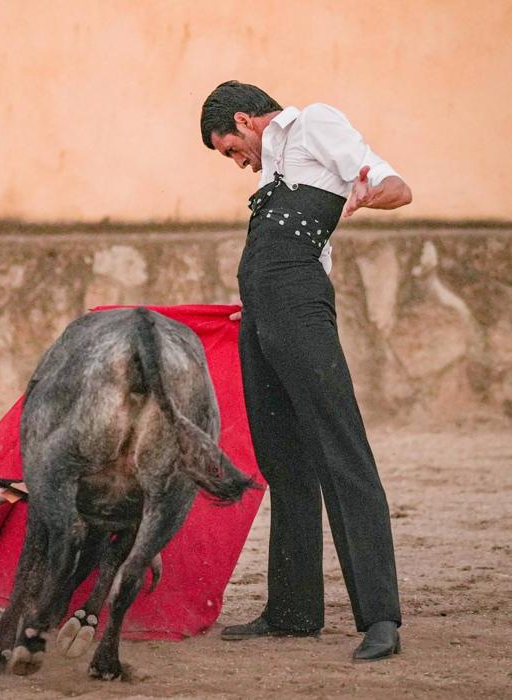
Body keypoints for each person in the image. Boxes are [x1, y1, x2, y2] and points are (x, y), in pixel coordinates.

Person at [200, 81, 412, 661]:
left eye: (230, 149)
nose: (237, 162)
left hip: (297, 307)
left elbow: (397, 186)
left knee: (341, 450)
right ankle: (293, 611)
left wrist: (371, 197)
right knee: (284, 461)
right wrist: (258, 302)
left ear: (245, 119)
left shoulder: (314, 123)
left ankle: (380, 618)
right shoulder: (273, 171)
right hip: (262, 314)